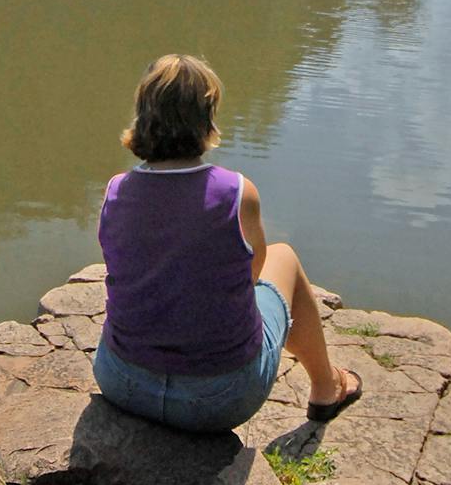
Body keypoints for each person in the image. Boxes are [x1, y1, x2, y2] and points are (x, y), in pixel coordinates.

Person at [93, 53, 362, 434]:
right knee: (283, 259)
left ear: (143, 112)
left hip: (123, 383)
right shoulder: (235, 192)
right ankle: (325, 387)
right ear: (206, 117)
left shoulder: (116, 192)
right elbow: (251, 276)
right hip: (219, 399)